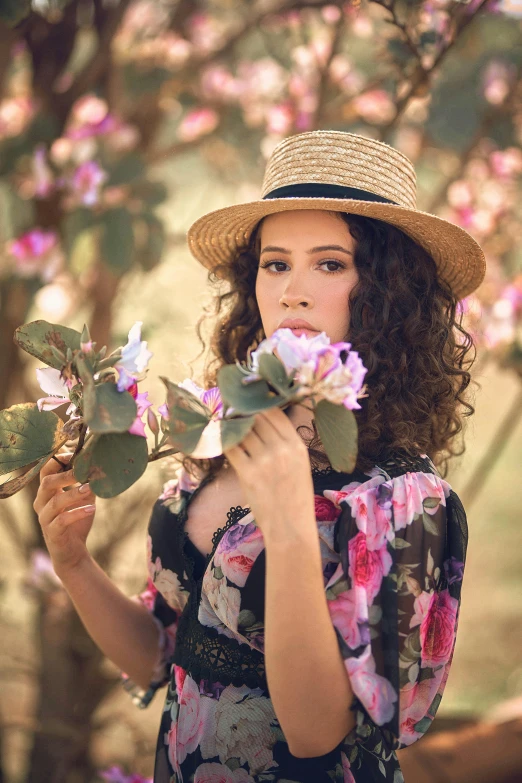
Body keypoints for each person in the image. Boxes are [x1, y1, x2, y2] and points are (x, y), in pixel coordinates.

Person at [34, 130, 485, 783]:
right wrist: (75, 564)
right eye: (276, 263)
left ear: (388, 290)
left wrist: (289, 521)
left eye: (329, 264)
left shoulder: (401, 498)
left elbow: (315, 734)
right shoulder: (220, 439)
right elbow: (162, 654)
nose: (292, 291)